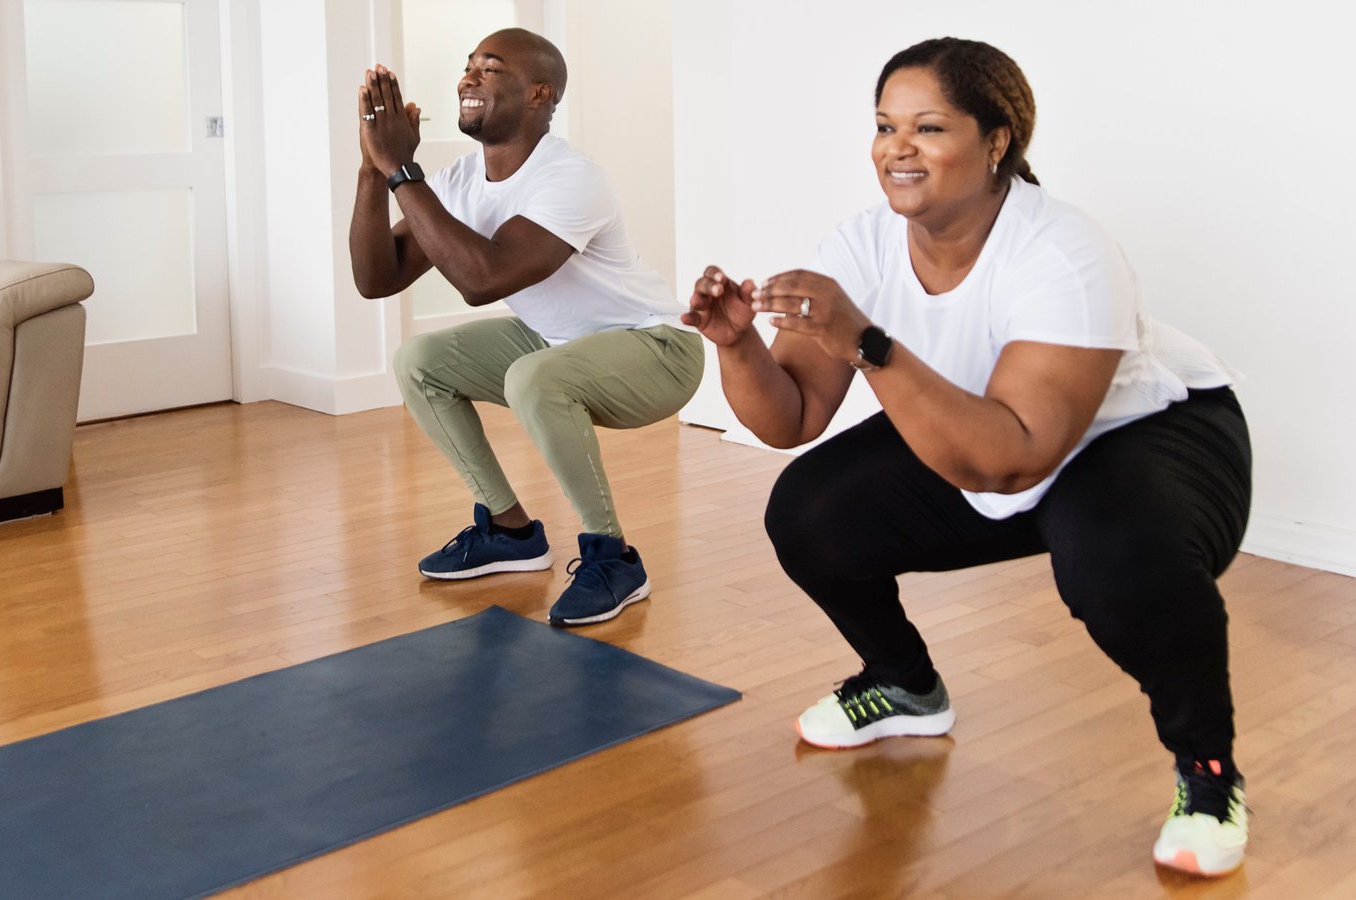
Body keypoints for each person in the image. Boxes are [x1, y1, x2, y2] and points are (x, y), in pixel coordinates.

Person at [684, 38, 1251, 877]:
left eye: (928, 127)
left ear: (997, 143)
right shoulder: (866, 244)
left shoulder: (1062, 250)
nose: (896, 148)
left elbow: (1017, 460)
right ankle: (904, 683)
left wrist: (867, 341)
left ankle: (1209, 771)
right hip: (987, 425)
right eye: (883, 126)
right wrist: (737, 348)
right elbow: (792, 417)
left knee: (1115, 561)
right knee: (809, 510)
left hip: (1143, 431)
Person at [349, 28, 704, 626]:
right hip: (558, 344)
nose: (468, 78)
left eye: (489, 69)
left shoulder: (570, 178)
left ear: (539, 93)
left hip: (657, 349)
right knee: (420, 360)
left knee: (533, 377)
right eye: (467, 67)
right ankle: (510, 532)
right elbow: (375, 279)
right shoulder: (460, 181)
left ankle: (613, 559)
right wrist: (373, 170)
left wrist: (403, 172)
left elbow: (484, 279)